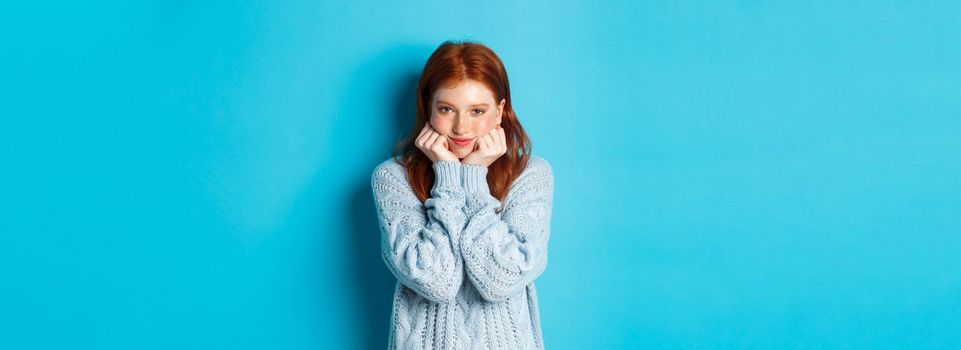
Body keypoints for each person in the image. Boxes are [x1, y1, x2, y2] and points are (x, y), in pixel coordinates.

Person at [370, 40, 554, 349]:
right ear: (428, 107)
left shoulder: (530, 175)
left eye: (478, 111)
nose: (461, 127)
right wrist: (448, 177)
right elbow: (436, 282)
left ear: (500, 111)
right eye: (446, 109)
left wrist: (474, 180)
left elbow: (500, 281)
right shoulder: (392, 178)